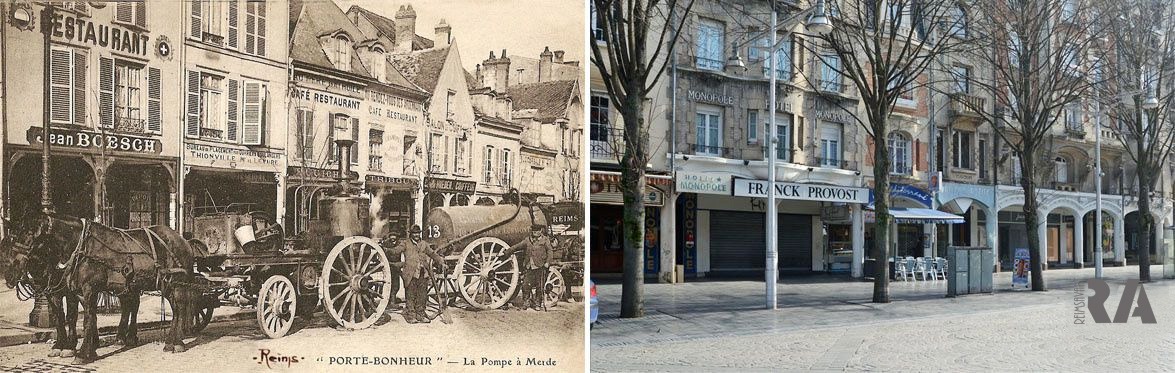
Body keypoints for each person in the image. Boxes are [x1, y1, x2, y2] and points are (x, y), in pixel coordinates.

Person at [389, 225, 445, 323]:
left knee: (422, 295)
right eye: (414, 233)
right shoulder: (405, 243)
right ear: (411, 234)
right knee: (410, 296)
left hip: (423, 273)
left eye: (418, 233)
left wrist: (441, 262)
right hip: (410, 273)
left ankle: (420, 315)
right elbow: (395, 251)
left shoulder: (424, 244)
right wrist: (384, 250)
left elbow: (432, 254)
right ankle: (411, 316)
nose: (416, 235)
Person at [502, 224, 553, 311]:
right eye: (533, 231)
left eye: (536, 231)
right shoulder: (528, 240)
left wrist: (548, 262)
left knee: (539, 287)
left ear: (540, 231)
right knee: (526, 286)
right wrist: (508, 251)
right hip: (529, 266)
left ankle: (538, 304)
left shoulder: (545, 240)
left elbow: (550, 251)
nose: (535, 233)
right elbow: (517, 246)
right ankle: (526, 303)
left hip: (540, 266)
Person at [380, 232, 404, 308]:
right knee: (390, 284)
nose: (393, 237)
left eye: (394, 235)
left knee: (396, 285)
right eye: (391, 236)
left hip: (396, 266)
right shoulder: (386, 243)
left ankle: (392, 299)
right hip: (389, 266)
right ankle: (391, 302)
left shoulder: (400, 243)